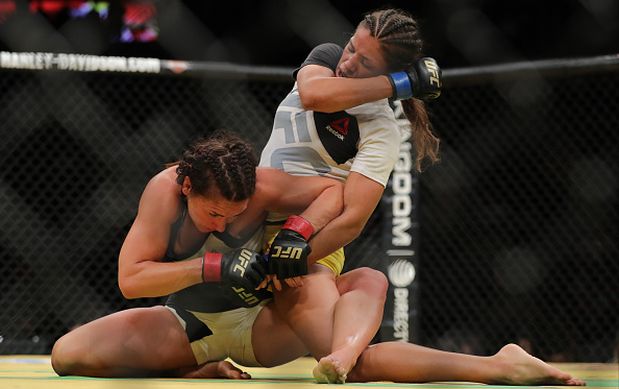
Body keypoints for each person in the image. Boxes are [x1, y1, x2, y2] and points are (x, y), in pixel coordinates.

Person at [257, 8, 584, 385]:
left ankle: (500, 367)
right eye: (351, 48)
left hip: (308, 242)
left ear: (385, 72)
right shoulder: (327, 58)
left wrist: (286, 261)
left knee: (350, 363)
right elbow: (314, 95)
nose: (348, 63)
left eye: (364, 62)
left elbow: (351, 219)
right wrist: (399, 84)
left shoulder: (381, 128)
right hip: (254, 215)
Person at [50, 130, 345, 378]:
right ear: (188, 187)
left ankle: (354, 352)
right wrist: (213, 266)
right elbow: (131, 279)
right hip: (190, 325)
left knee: (352, 284)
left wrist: (297, 231)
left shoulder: (263, 186)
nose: (221, 225)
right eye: (214, 213)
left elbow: (334, 191)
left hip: (261, 323)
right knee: (66, 354)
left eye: (234, 216)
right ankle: (194, 369)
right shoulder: (164, 193)